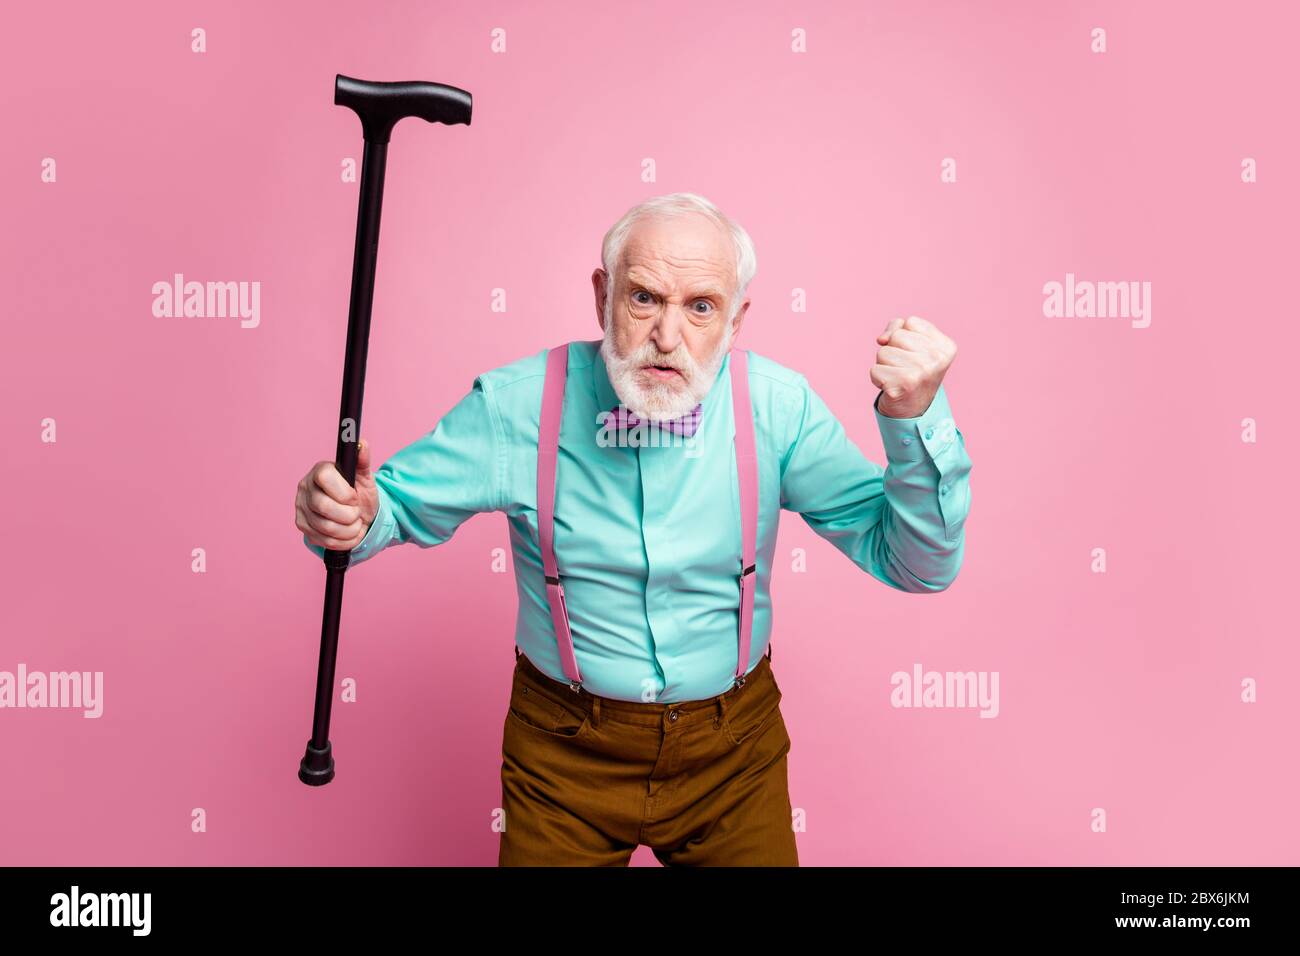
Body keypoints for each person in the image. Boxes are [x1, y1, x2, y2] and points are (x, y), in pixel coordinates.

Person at [295, 192, 973, 865]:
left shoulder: (777, 410)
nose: (667, 336)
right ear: (602, 296)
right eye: (644, 298)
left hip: (733, 755)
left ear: (736, 321)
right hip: (562, 754)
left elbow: (917, 563)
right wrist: (350, 515)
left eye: (700, 307)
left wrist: (915, 419)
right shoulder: (516, 408)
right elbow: (384, 511)